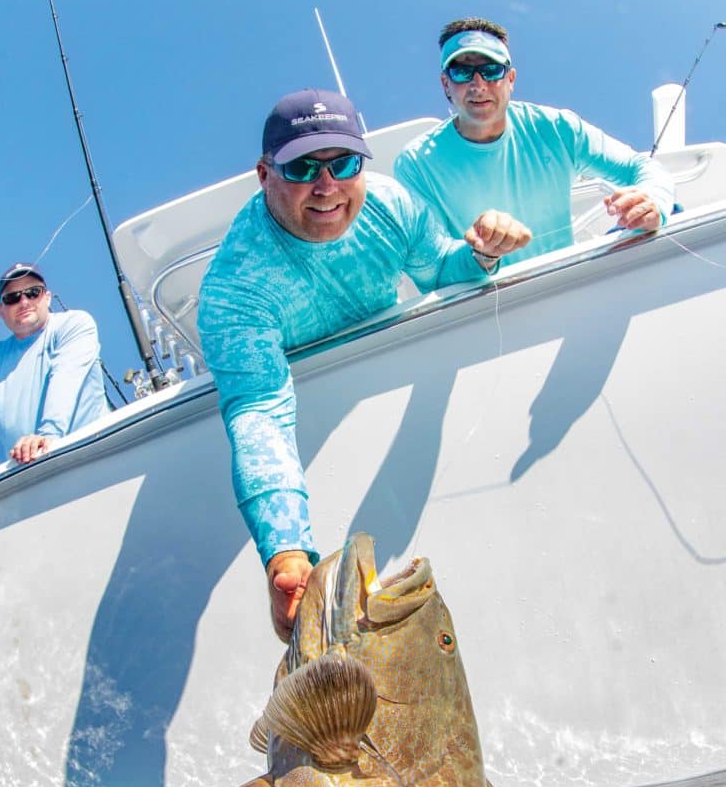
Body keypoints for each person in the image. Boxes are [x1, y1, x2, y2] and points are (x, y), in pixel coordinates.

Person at [197, 88, 530, 641]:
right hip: (317, 427)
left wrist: (484, 250)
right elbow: (259, 409)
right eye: (303, 166)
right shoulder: (235, 286)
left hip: (392, 406)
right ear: (264, 174)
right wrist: (284, 551)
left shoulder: (391, 205)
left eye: (343, 163)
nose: (327, 186)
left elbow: (442, 268)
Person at [394, 18, 675, 266]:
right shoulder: (416, 163)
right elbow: (430, 263)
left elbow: (641, 166)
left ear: (511, 79)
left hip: (565, 282)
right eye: (462, 72)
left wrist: (655, 201)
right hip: (480, 309)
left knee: (672, 211)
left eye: (491, 70)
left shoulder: (556, 127)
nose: (478, 85)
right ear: (446, 84)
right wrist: (482, 254)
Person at [0, 263, 109, 465]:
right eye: (12, 298)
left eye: (33, 292)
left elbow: (66, 378)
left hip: (94, 457)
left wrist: (48, 435)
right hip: (30, 476)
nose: (23, 302)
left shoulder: (74, 324)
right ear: (1, 311)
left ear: (47, 298)